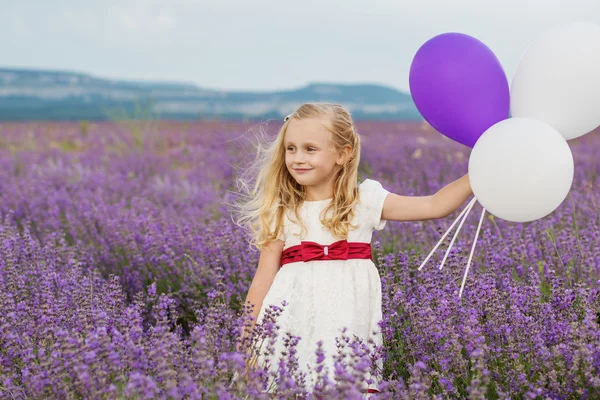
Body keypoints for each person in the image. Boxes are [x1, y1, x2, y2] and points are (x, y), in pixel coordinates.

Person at [229, 102, 473, 398]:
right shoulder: (282, 210)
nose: (297, 158)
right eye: (290, 148)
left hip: (347, 326)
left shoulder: (364, 201)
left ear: (342, 155)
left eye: (310, 149)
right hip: (288, 327)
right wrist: (246, 344)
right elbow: (262, 281)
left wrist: (478, 173)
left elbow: (434, 205)